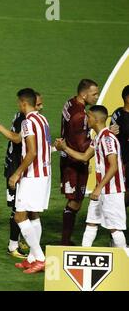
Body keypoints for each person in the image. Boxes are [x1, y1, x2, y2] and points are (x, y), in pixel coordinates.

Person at [55, 105, 127, 248]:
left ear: (95, 119)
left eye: (88, 116)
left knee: (115, 228)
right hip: (101, 189)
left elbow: (113, 167)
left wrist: (98, 188)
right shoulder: (98, 138)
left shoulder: (107, 139)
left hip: (112, 190)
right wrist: (65, 148)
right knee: (91, 222)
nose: (86, 119)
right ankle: (84, 254)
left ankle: (125, 260)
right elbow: (84, 157)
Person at [0, 92, 44, 259]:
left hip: (25, 168)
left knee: (29, 211)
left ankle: (29, 248)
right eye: (38, 105)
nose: (41, 108)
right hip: (17, 167)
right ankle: (13, 245)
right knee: (18, 211)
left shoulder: (32, 119)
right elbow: (16, 139)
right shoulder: (24, 120)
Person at [9, 88, 51, 274]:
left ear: (24, 103)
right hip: (44, 173)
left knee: (20, 216)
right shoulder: (43, 119)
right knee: (33, 214)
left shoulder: (27, 122)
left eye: (19, 103)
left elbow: (32, 151)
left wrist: (17, 173)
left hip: (32, 175)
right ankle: (32, 259)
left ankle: (40, 258)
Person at [59, 79, 99, 245]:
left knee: (75, 200)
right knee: (75, 201)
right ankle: (65, 241)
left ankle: (65, 240)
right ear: (84, 94)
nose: (96, 97)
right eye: (94, 94)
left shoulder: (70, 102)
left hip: (67, 158)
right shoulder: (80, 115)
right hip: (74, 162)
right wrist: (98, 137)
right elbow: (83, 147)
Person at [110, 85, 129, 209]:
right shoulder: (119, 115)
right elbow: (113, 134)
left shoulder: (118, 113)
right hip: (125, 158)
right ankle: (117, 214)